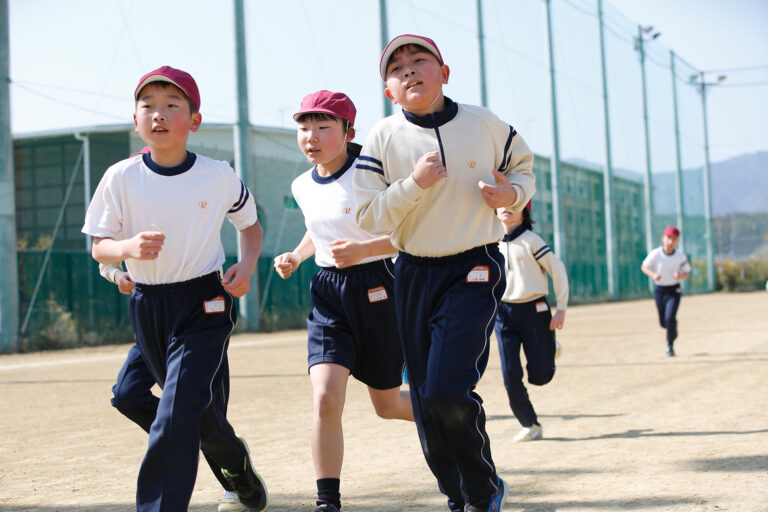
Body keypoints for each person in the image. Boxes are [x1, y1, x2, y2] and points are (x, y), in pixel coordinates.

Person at [354, 34, 535, 512]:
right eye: (397, 68)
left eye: (420, 61)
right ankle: (461, 497)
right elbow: (369, 216)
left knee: (448, 389)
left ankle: (482, 490)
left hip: (474, 265)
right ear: (389, 90)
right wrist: (413, 184)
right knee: (428, 401)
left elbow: (523, 167)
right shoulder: (383, 136)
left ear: (444, 73)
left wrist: (511, 195)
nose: (410, 71)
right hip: (412, 274)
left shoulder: (485, 122)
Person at [82, 66, 268, 512]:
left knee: (176, 411)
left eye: (172, 106)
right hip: (149, 305)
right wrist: (127, 247)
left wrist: (245, 265)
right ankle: (234, 464)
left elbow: (250, 226)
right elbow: (99, 248)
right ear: (135, 120)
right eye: (148, 106)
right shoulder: (120, 177)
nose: (159, 115)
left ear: (194, 121)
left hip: (204, 303)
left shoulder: (217, 175)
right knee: (145, 401)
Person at [273, 90, 413, 512]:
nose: (310, 136)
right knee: (326, 397)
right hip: (329, 292)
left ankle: (449, 414)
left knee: (387, 405)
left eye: (323, 126)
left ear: (348, 131)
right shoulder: (301, 184)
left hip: (379, 287)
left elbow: (410, 232)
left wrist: (363, 251)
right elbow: (318, 227)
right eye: (303, 127)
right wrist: (297, 256)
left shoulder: (373, 174)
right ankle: (327, 502)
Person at [99, 263, 246, 512]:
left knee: (202, 408)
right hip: (152, 313)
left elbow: (246, 227)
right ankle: (227, 449)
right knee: (127, 394)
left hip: (200, 307)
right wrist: (115, 274)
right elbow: (104, 251)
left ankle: (235, 485)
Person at [494, 203, 568, 443]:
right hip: (503, 313)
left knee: (540, 374)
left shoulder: (531, 240)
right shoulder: (489, 242)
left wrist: (561, 309)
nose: (506, 208)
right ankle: (530, 424)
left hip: (535, 309)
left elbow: (558, 270)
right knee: (509, 374)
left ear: (524, 211)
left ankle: (549, 349)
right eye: (500, 204)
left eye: (514, 204)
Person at [641, 225, 691, 357]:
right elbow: (644, 266)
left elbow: (687, 272)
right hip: (660, 290)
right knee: (664, 322)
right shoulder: (656, 254)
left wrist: (680, 276)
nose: (670, 241)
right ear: (663, 238)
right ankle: (673, 327)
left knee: (669, 318)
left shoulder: (680, 256)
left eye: (674, 239)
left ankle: (669, 346)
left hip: (674, 290)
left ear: (677, 241)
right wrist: (653, 275)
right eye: (668, 238)